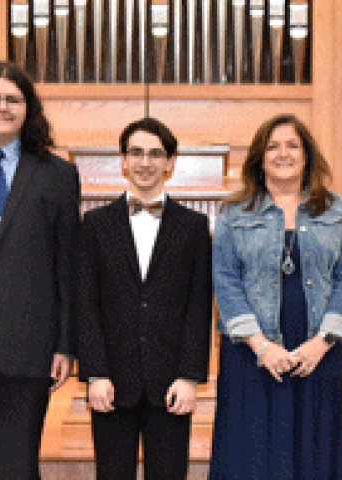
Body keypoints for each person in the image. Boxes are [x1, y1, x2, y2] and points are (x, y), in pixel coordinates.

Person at [210, 113, 342, 480]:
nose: (283, 153)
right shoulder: (234, 211)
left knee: (314, 451)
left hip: (318, 350)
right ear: (260, 157)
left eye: (293, 145)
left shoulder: (335, 207)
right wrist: (261, 346)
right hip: (250, 351)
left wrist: (322, 343)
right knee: (253, 455)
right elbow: (225, 280)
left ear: (307, 155)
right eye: (273, 146)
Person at [76, 117, 212, 480]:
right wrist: (94, 373)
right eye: (136, 152)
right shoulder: (94, 225)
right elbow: (85, 304)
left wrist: (189, 376)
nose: (145, 162)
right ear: (122, 160)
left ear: (170, 163)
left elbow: (198, 308)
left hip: (171, 383)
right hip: (111, 381)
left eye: (156, 154)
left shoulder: (194, 227)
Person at [0, 61, 79, 479]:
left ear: (28, 108)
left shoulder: (58, 174)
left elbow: (67, 265)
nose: (2, 106)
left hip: (28, 349)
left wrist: (66, 345)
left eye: (13, 99)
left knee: (19, 469)